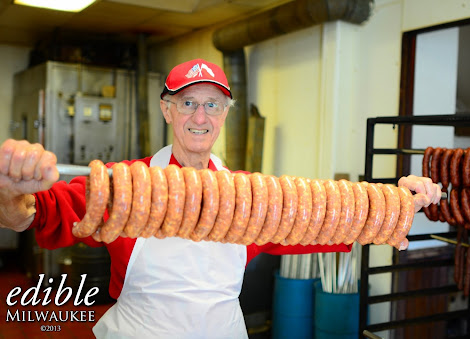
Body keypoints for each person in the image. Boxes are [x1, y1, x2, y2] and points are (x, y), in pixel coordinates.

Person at [0, 58, 441, 338]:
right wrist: (12, 187)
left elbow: (329, 220)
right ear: (166, 109)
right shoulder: (124, 186)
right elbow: (27, 218)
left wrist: (400, 200)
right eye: (188, 102)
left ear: (225, 115)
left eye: (212, 104)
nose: (199, 115)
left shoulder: (248, 195)